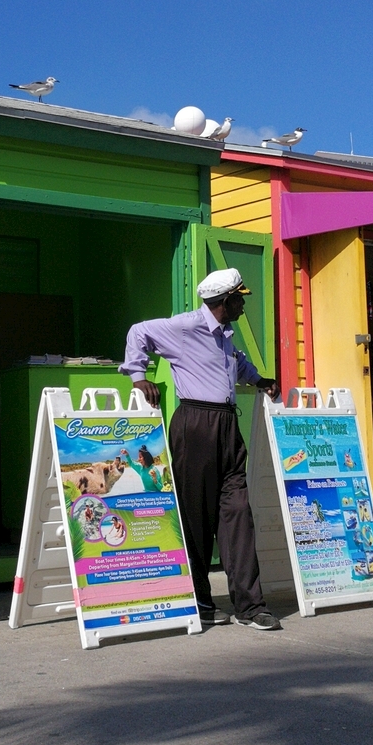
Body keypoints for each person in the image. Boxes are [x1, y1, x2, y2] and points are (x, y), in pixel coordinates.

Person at [119, 268, 281, 630]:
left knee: (238, 512)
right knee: (197, 517)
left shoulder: (225, 333)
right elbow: (138, 332)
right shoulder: (185, 326)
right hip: (195, 424)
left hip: (227, 426)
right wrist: (139, 376)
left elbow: (234, 362)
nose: (243, 305)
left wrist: (258, 380)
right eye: (240, 299)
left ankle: (250, 606)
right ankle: (200, 600)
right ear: (225, 301)